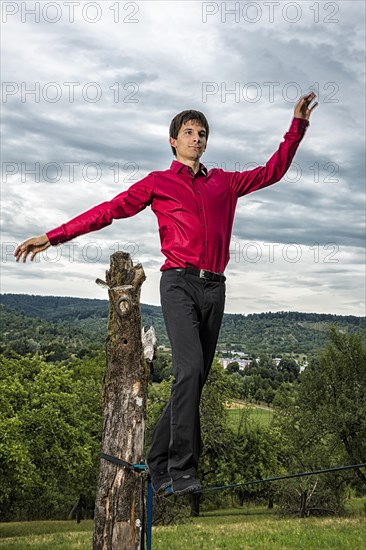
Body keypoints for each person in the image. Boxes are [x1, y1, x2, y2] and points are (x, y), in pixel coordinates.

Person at [14, 92, 318, 495]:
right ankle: (182, 470)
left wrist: (297, 126)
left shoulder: (224, 183)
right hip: (178, 282)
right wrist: (53, 237)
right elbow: (109, 209)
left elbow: (274, 170)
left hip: (215, 287)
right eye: (189, 132)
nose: (197, 138)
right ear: (173, 141)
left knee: (195, 379)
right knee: (188, 370)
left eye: (202, 133)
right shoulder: (159, 183)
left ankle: (157, 465)